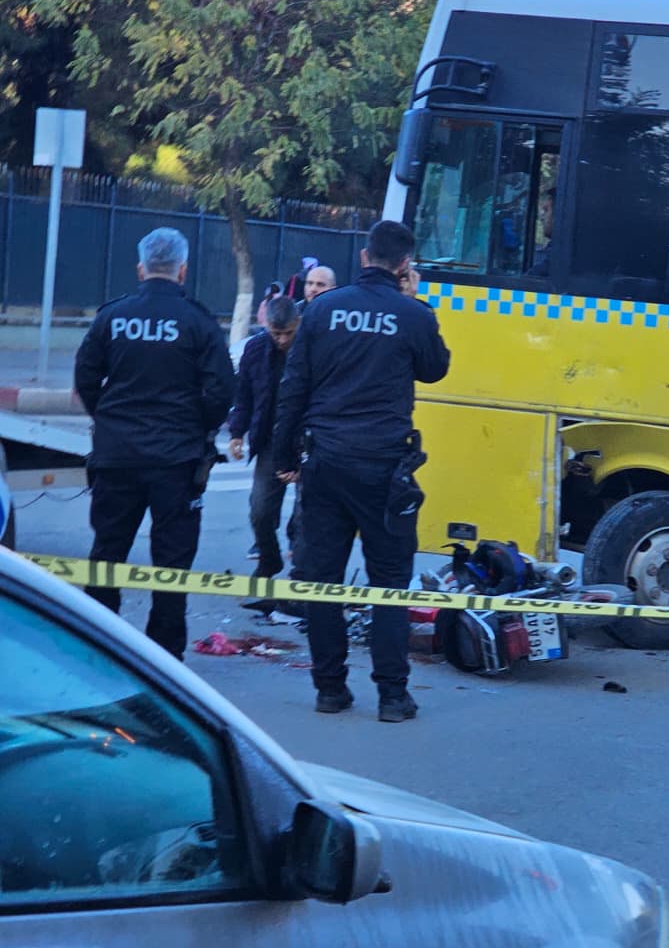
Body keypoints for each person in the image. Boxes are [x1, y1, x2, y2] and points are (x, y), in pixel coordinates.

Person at [272, 219, 450, 722]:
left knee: (324, 579)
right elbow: (436, 368)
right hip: (383, 469)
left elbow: (294, 388)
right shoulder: (411, 314)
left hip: (325, 463)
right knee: (389, 581)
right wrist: (415, 302)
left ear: (364, 256)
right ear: (404, 265)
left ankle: (330, 688)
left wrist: (285, 457)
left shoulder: (323, 308)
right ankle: (392, 696)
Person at [74, 227, 234, 660]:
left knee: (107, 554)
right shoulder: (199, 321)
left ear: (141, 268)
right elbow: (221, 391)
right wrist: (195, 427)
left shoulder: (113, 316)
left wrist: (108, 420)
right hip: (177, 463)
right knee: (172, 565)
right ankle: (164, 660)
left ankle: (96, 652)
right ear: (183, 270)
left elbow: (86, 377)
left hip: (116, 457)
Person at [228, 294, 301, 612]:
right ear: (266, 326)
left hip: (306, 442)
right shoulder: (255, 350)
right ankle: (269, 562)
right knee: (259, 510)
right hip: (269, 442)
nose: (283, 340)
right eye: (277, 333)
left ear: (297, 325)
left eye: (288, 333)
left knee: (307, 518)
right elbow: (243, 395)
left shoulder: (310, 348)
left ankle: (301, 581)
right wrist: (236, 433)